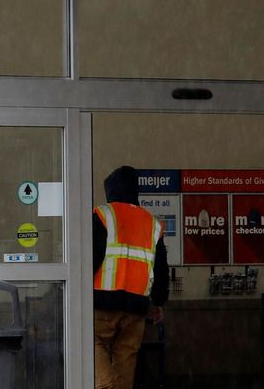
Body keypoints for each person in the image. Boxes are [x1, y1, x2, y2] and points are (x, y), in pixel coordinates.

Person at [93, 166, 169, 389]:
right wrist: (158, 302)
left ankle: (105, 387)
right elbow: (161, 268)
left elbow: (91, 257)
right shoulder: (152, 224)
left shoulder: (103, 215)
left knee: (95, 344)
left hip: (102, 303)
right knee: (126, 358)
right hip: (136, 307)